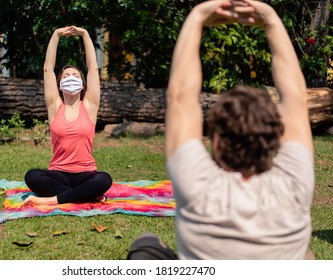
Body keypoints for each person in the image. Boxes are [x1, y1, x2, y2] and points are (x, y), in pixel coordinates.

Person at [128, 0, 315, 259]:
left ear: (215, 141)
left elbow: (180, 97)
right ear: (275, 141)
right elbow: (295, 98)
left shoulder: (197, 186)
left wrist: (197, 17)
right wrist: (271, 19)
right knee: (306, 257)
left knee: (145, 246)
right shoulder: (295, 185)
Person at [24, 26, 112, 205]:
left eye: (75, 75)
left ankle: (51, 200)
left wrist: (86, 34)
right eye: (66, 75)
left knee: (104, 179)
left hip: (86, 174)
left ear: (82, 82)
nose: (71, 77)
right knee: (32, 176)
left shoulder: (89, 106)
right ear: (60, 83)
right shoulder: (55, 106)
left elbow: (94, 69)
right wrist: (55, 34)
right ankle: (87, 196)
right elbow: (48, 69)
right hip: (58, 174)